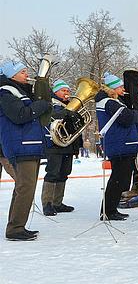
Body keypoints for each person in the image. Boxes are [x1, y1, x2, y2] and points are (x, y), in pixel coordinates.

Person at [0, 60, 51, 241]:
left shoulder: (20, 91)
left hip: (29, 144)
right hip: (21, 145)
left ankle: (17, 225)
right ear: (11, 75)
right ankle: (15, 229)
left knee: (23, 187)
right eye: (22, 72)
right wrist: (42, 104)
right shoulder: (5, 91)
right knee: (25, 187)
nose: (26, 74)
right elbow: (20, 115)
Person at [95, 72, 138, 221]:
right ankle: (108, 210)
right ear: (112, 88)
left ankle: (110, 208)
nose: (123, 90)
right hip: (119, 144)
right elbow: (127, 118)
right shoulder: (109, 102)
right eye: (120, 87)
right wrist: (135, 112)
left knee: (119, 179)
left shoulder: (112, 101)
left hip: (121, 144)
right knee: (117, 179)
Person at [41, 79, 80, 216]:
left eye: (68, 91)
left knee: (64, 173)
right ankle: (47, 203)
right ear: (56, 91)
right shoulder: (51, 103)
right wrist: (68, 113)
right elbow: (52, 117)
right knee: (53, 173)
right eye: (63, 90)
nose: (67, 93)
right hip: (54, 144)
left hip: (67, 144)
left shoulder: (69, 106)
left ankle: (57, 202)